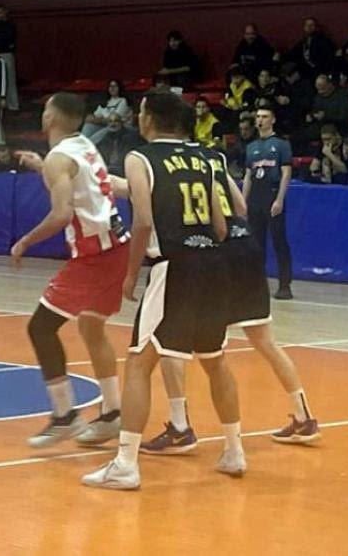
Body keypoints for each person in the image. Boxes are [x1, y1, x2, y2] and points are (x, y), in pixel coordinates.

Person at [82, 91, 242, 490]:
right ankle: (235, 451)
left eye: (140, 112)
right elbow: (222, 225)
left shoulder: (141, 157)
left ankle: (125, 464)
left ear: (149, 119)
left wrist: (130, 275)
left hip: (174, 266)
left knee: (139, 362)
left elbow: (142, 221)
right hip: (214, 265)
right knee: (215, 360)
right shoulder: (206, 157)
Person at [143, 123, 319, 454]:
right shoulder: (214, 159)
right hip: (246, 244)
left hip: (215, 250)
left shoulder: (171, 163)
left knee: (173, 341)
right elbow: (240, 207)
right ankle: (303, 415)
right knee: (265, 341)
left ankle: (180, 425)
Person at [10, 93, 131, 449]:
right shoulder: (84, 147)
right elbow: (86, 183)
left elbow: (62, 213)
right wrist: (41, 167)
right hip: (117, 247)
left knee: (40, 327)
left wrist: (24, 242)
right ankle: (113, 414)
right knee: (92, 327)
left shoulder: (59, 158)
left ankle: (65, 416)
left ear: (50, 117)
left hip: (94, 256)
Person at [245, 107, 294, 300]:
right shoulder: (251, 147)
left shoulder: (281, 144)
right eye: (258, 117)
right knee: (256, 244)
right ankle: (257, 284)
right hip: (255, 196)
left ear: (272, 120)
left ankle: (284, 285)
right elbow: (248, 176)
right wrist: (243, 202)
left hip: (272, 195)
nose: (260, 120)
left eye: (265, 117)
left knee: (279, 241)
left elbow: (286, 173)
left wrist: (280, 199)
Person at [284, 17, 335, 83]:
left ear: (316, 27)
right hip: (304, 69)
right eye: (307, 25)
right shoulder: (303, 42)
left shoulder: (323, 41)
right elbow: (293, 54)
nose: (309, 27)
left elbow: (327, 59)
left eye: (311, 25)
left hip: (318, 70)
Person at [306, 73, 348, 138]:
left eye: (323, 89)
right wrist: (311, 116)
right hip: (320, 127)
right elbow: (315, 110)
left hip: (338, 128)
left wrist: (326, 116)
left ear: (329, 85)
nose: (320, 93)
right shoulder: (318, 97)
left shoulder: (342, 96)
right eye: (318, 90)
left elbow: (345, 116)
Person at [0, 6, 19, 111]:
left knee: (10, 79)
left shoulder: (10, 25)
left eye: (0, 13)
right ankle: (2, 104)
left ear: (5, 12)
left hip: (7, 53)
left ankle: (13, 105)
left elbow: (10, 40)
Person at [226, 114, 257, 180]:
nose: (243, 133)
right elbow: (230, 161)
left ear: (253, 129)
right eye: (241, 129)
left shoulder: (259, 144)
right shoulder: (238, 143)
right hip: (239, 177)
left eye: (246, 129)